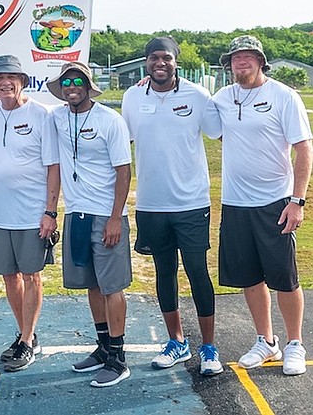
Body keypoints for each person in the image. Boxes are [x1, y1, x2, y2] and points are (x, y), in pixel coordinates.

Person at [122, 36, 224, 376]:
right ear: (146, 63)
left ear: (175, 61)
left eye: (165, 58)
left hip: (192, 203)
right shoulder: (133, 96)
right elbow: (124, 141)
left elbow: (220, 132)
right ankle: (176, 342)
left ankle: (209, 348)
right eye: (153, 58)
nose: (159, 64)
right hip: (151, 204)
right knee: (164, 273)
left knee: (197, 272)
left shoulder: (197, 95)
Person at [214, 35, 313, 376]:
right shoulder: (223, 98)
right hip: (236, 203)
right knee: (249, 277)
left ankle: (295, 343)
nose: (241, 62)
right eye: (236, 57)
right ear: (230, 64)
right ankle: (266, 341)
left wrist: (297, 201)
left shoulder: (283, 96)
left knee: (284, 278)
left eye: (248, 56)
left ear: (260, 61)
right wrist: (146, 82)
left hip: (276, 202)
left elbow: (304, 150)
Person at [47, 61, 132, 388]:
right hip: (77, 214)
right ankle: (102, 348)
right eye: (66, 81)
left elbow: (123, 172)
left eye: (77, 81)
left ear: (87, 85)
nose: (71, 86)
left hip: (106, 216)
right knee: (92, 285)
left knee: (112, 287)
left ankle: (118, 358)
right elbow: (21, 104)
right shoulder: (57, 116)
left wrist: (115, 218)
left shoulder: (110, 120)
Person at [0, 55, 60, 372]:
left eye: (12, 77)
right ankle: (25, 332)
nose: (5, 83)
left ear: (23, 81)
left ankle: (26, 341)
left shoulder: (41, 114)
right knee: (9, 277)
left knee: (32, 276)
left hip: (32, 214)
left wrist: (50, 211)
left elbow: (54, 167)